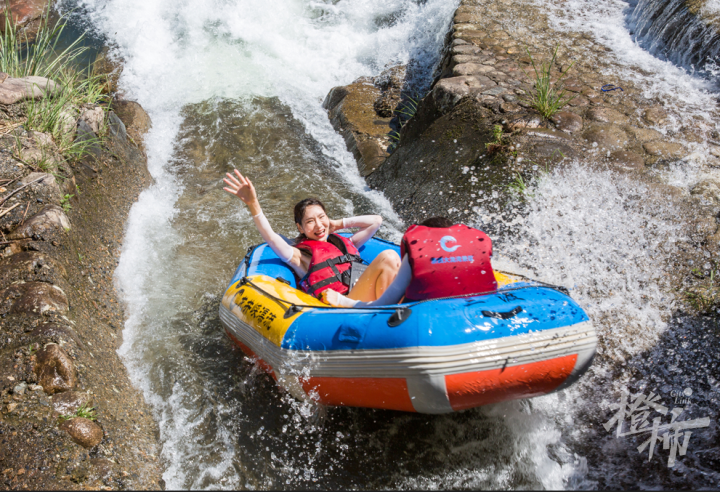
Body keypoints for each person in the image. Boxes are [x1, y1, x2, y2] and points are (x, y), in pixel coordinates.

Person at [223, 169, 401, 302]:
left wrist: (336, 224)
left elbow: (376, 221)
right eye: (310, 222)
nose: (318, 225)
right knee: (389, 257)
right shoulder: (301, 256)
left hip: (364, 296)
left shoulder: (345, 242)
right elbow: (270, 237)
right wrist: (253, 204)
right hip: (344, 305)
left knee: (396, 264)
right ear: (300, 228)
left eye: (321, 217)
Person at [323, 216, 497, 307]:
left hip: (416, 327)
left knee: (389, 256)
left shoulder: (420, 250)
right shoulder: (471, 253)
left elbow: (385, 305)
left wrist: (341, 300)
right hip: (476, 314)